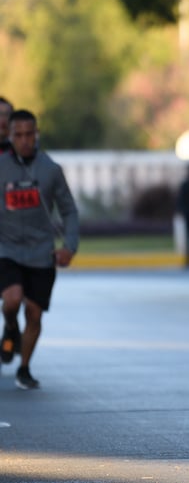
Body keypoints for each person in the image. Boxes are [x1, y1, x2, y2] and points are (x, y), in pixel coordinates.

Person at [0, 109, 79, 389]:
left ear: (37, 134)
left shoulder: (51, 170)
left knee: (34, 312)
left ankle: (24, 368)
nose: (24, 140)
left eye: (29, 134)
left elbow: (69, 210)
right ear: (9, 136)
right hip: (6, 250)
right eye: (17, 135)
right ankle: (10, 325)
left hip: (41, 253)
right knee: (11, 300)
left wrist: (69, 246)